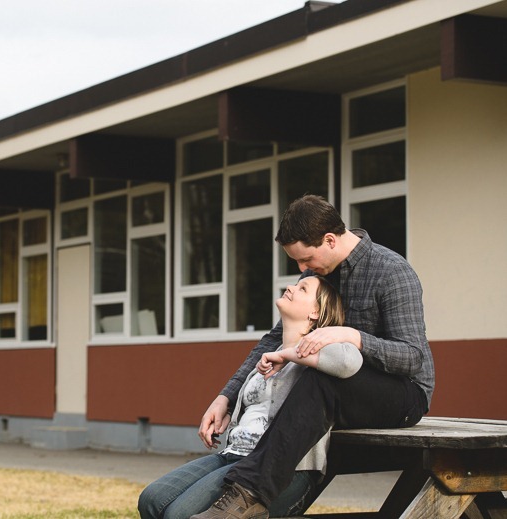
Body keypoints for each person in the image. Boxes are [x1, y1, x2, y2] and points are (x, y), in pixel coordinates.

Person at [192, 194, 435, 519]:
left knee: (321, 378)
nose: (302, 270)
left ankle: (248, 496)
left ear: (330, 239)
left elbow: (412, 358)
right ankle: (239, 483)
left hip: (403, 395)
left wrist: (352, 335)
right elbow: (274, 341)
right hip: (338, 392)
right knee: (318, 376)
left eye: (305, 260)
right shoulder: (318, 273)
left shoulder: (391, 272)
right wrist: (225, 396)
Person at [138, 275, 362, 518]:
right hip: (233, 454)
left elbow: (349, 361)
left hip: (282, 469)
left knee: (177, 514)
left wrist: (289, 355)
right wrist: (230, 408)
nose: (290, 287)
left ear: (316, 313)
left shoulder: (320, 356)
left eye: (302, 289)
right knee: (152, 500)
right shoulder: (269, 354)